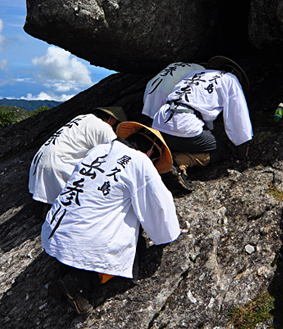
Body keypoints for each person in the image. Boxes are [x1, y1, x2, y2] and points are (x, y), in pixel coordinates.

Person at [42, 121, 180, 314]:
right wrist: (167, 235)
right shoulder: (139, 161)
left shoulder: (98, 150)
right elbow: (158, 208)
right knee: (134, 250)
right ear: (151, 154)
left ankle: (64, 272)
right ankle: (80, 283)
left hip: (53, 230)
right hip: (84, 240)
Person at [151, 56, 252, 191]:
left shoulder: (191, 74)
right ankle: (181, 161)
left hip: (159, 123)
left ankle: (168, 155)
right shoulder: (230, 80)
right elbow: (237, 114)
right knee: (222, 151)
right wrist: (242, 144)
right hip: (184, 125)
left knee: (186, 136)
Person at [29, 107, 127, 206]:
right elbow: (115, 152)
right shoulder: (104, 128)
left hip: (39, 161)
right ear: (113, 120)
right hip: (59, 165)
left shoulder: (81, 118)